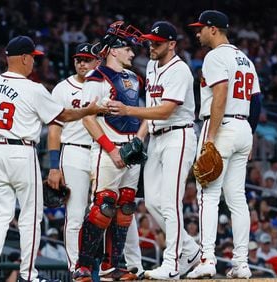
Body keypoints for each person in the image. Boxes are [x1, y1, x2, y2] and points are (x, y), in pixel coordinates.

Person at [0, 35, 103, 282]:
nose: (34, 62)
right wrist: (89, 110)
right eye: (33, 57)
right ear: (23, 58)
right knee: (31, 217)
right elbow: (62, 116)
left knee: (0, 213)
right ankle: (28, 275)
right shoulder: (33, 88)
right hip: (21, 151)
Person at [107, 21, 200, 279]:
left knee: (170, 202)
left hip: (178, 135)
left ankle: (171, 263)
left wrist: (128, 110)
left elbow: (165, 109)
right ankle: (190, 249)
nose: (151, 46)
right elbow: (152, 106)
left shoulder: (180, 70)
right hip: (156, 138)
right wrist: (139, 137)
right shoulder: (150, 65)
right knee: (152, 202)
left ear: (172, 44)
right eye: (149, 41)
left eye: (157, 43)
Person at [47, 43, 144, 276]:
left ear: (98, 61)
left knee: (116, 208)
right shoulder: (62, 88)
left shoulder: (107, 83)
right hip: (74, 151)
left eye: (87, 59)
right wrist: (53, 165)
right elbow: (54, 130)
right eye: (78, 59)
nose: (81, 63)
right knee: (78, 214)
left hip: (99, 149)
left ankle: (114, 265)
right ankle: (76, 269)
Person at [187, 10, 261, 279]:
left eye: (201, 28)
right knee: (237, 198)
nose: (198, 33)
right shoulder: (245, 59)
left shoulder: (215, 56)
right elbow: (257, 101)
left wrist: (210, 137)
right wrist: (249, 133)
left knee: (208, 195)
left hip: (220, 125)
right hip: (242, 126)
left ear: (214, 29)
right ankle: (241, 264)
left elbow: (219, 94)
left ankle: (207, 258)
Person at [72, 21, 144, 282]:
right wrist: (111, 149)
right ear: (114, 50)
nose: (133, 54)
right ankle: (83, 265)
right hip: (108, 148)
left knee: (126, 206)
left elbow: (144, 113)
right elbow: (87, 118)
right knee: (103, 205)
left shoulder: (135, 78)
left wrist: (139, 141)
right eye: (128, 49)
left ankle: (113, 265)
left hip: (131, 148)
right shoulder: (96, 78)